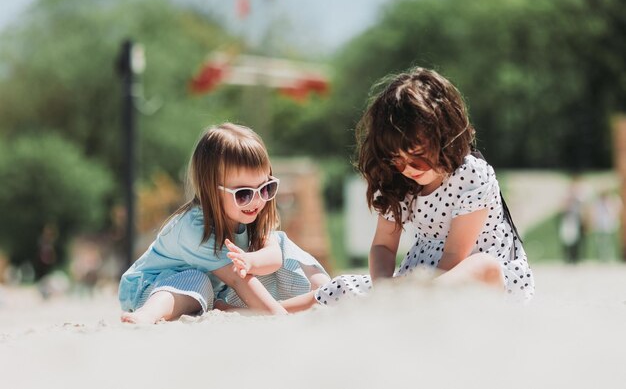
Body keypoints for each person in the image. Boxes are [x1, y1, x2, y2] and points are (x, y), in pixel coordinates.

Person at [315, 67, 535, 305]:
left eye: (416, 156)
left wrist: (416, 289)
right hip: (421, 277)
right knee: (343, 286)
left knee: (483, 265)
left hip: (475, 275)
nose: (407, 168)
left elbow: (454, 256)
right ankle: (280, 308)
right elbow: (383, 246)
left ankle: (417, 298)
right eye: (396, 160)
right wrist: (383, 289)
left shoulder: (471, 175)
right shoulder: (399, 181)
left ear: (445, 137)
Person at [119, 123, 329, 324]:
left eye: (266, 188)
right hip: (152, 287)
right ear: (211, 189)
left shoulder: (254, 214)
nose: (257, 201)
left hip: (216, 289)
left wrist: (250, 260)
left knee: (282, 243)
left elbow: (275, 256)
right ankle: (147, 314)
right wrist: (277, 315)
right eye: (243, 194)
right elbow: (239, 280)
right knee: (197, 279)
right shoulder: (195, 229)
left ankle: (324, 290)